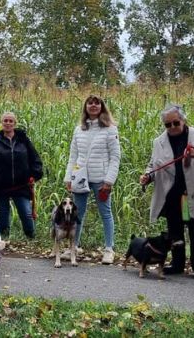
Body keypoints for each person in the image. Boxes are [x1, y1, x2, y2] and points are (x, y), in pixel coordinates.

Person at [139, 103, 194, 279]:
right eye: (168, 125)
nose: (173, 127)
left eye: (176, 123)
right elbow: (153, 165)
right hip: (171, 194)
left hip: (193, 191)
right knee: (174, 230)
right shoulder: (158, 142)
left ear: (183, 120)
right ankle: (177, 264)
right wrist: (147, 176)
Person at [65, 95, 121, 265]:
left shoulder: (110, 129)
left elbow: (115, 157)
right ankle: (74, 246)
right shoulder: (78, 129)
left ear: (102, 107)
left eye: (97, 103)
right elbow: (73, 156)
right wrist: (69, 177)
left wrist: (109, 180)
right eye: (90, 103)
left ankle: (109, 249)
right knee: (77, 213)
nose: (93, 105)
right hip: (80, 178)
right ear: (85, 107)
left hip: (101, 179)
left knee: (105, 213)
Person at [0, 111, 43, 239]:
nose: (8, 123)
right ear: (1, 123)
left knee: (26, 214)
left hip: (21, 186)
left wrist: (34, 175)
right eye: (5, 121)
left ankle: (31, 238)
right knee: (4, 216)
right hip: (1, 187)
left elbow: (35, 160)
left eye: (11, 121)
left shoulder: (24, 142)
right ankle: (4, 240)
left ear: (15, 123)